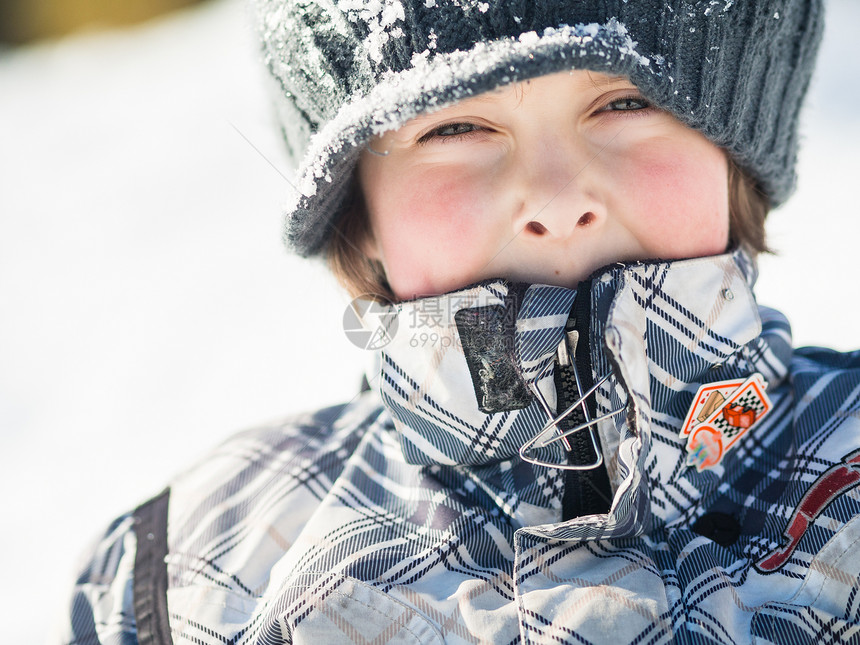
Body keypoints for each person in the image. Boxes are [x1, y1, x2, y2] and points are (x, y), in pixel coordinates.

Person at [59, 1, 860, 643]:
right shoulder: (202, 567)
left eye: (626, 101)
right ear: (359, 211)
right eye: (455, 127)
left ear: (738, 149)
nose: (553, 198)